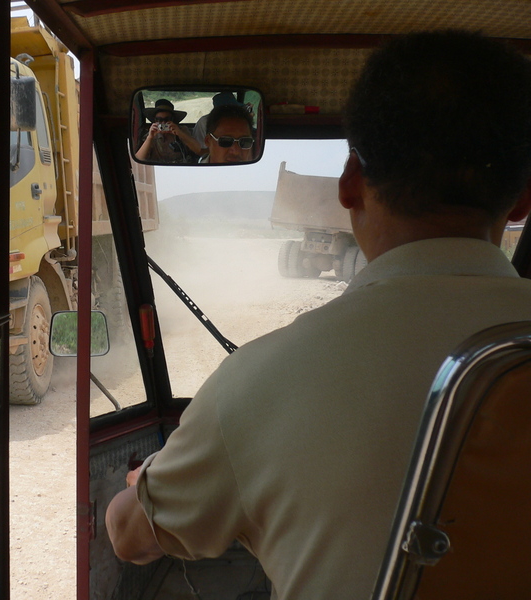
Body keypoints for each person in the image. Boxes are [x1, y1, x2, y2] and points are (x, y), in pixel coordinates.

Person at [106, 30, 531, 599]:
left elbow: (129, 539)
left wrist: (146, 481)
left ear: (350, 183)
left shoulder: (259, 384)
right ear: (523, 198)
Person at [135, 98, 202, 163]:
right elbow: (138, 159)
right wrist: (150, 138)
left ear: (173, 120)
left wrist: (180, 133)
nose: (163, 123)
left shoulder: (182, 130)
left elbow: (199, 150)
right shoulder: (151, 135)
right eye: (159, 120)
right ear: (155, 121)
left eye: (167, 119)